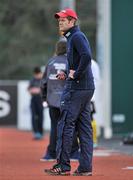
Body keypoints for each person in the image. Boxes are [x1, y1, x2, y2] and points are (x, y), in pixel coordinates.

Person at [44, 8, 95, 176]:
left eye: (64, 20)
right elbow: (82, 58)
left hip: (77, 88)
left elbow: (87, 56)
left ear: (73, 21)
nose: (60, 22)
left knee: (65, 125)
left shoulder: (76, 36)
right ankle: (85, 167)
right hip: (85, 88)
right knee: (85, 128)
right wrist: (67, 74)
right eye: (59, 20)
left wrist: (76, 74)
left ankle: (63, 165)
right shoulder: (74, 37)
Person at [41, 40, 79, 161]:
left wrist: (44, 98)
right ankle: (73, 153)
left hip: (53, 100)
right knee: (70, 126)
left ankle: (51, 153)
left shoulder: (50, 62)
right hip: (68, 99)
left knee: (54, 127)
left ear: (57, 48)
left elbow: (43, 83)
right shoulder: (71, 62)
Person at [28, 66, 44, 140]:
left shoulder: (43, 80)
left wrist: (38, 90)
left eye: (38, 74)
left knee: (40, 117)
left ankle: (40, 132)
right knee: (34, 116)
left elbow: (44, 89)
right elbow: (29, 89)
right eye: (35, 74)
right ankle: (36, 132)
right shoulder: (32, 80)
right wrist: (33, 90)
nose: (36, 75)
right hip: (34, 99)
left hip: (41, 100)